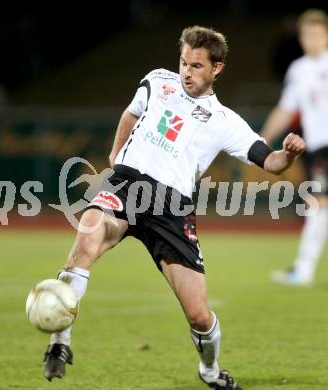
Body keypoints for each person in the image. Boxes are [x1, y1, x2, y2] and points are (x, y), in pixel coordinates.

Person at [43, 26, 305, 389]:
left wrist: (288, 154)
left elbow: (272, 162)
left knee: (199, 315)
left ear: (217, 69)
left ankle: (210, 371)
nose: (186, 71)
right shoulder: (157, 81)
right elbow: (130, 114)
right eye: (183, 62)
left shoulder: (225, 122)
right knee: (87, 240)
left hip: (172, 208)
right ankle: (59, 342)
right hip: (126, 184)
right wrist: (116, 156)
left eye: (197, 65)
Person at [261, 9, 328, 286]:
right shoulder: (298, 70)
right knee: (318, 204)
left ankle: (303, 270)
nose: (311, 39)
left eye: (317, 33)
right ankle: (303, 270)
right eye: (307, 34)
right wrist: (262, 138)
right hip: (318, 147)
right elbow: (286, 109)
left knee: (319, 204)